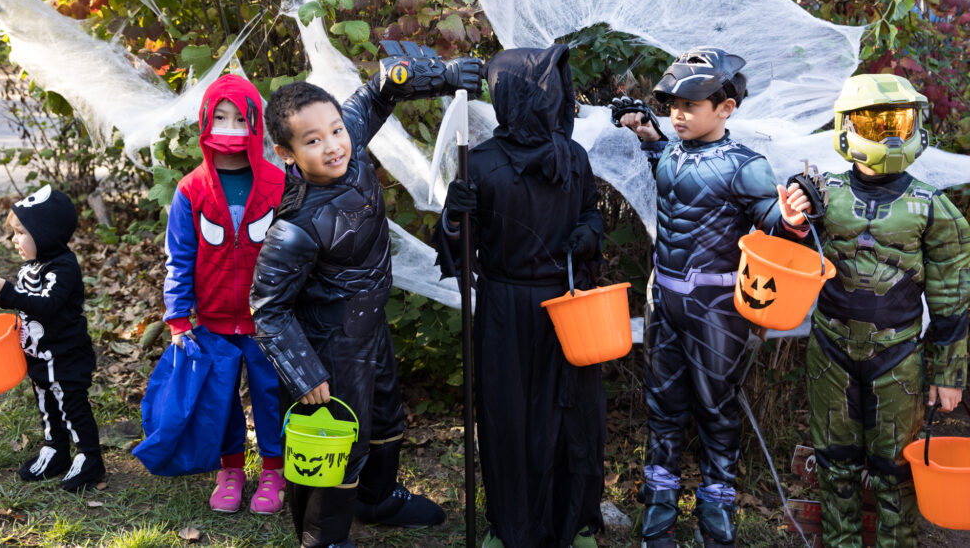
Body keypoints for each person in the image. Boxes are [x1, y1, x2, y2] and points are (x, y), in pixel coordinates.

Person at [250, 51, 484, 548]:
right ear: (286, 152)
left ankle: (377, 500)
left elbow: (383, 87)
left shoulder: (348, 141)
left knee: (385, 420)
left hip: (369, 328)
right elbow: (267, 311)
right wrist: (304, 372)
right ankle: (324, 537)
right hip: (327, 348)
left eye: (335, 130)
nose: (333, 145)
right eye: (313, 141)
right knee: (336, 447)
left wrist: (444, 75)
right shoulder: (293, 229)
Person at [610, 46, 811, 547]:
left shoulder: (747, 166)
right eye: (673, 103)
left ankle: (717, 511)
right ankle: (658, 509)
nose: (677, 112)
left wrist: (794, 217)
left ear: (725, 108)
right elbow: (665, 157)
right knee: (663, 405)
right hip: (667, 303)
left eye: (691, 104)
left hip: (718, 310)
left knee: (717, 409)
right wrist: (640, 125)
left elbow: (774, 224)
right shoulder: (672, 146)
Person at [433, 44, 607, 548]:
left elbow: (590, 212)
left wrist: (590, 233)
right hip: (505, 310)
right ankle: (510, 526)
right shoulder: (481, 163)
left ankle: (572, 523)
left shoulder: (572, 158)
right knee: (508, 419)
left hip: (567, 306)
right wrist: (454, 213)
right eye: (546, 89)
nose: (555, 98)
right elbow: (460, 255)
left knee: (572, 417)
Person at [795, 73, 970, 548]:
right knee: (835, 468)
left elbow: (953, 299)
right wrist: (792, 210)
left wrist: (948, 377)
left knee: (896, 476)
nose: (891, 135)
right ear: (847, 129)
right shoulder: (822, 195)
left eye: (900, 122)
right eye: (875, 124)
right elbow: (781, 248)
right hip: (830, 352)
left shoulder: (934, 210)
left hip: (897, 359)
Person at [162, 74, 286, 514]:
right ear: (204, 121)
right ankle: (230, 468)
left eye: (240, 118)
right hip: (213, 321)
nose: (230, 126)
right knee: (221, 399)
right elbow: (178, 256)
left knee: (270, 395)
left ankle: (274, 470)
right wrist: (178, 317)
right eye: (220, 117)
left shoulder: (278, 184)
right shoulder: (190, 190)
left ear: (256, 124)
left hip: (267, 322)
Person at [0, 185, 105, 492]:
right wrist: (1, 299)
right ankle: (56, 448)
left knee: (71, 406)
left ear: (45, 233)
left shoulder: (63, 268)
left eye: (21, 233)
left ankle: (89, 458)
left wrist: (8, 293)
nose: (14, 240)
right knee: (47, 403)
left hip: (65, 356)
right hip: (39, 355)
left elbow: (48, 305)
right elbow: (26, 299)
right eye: (14, 232)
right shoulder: (31, 266)